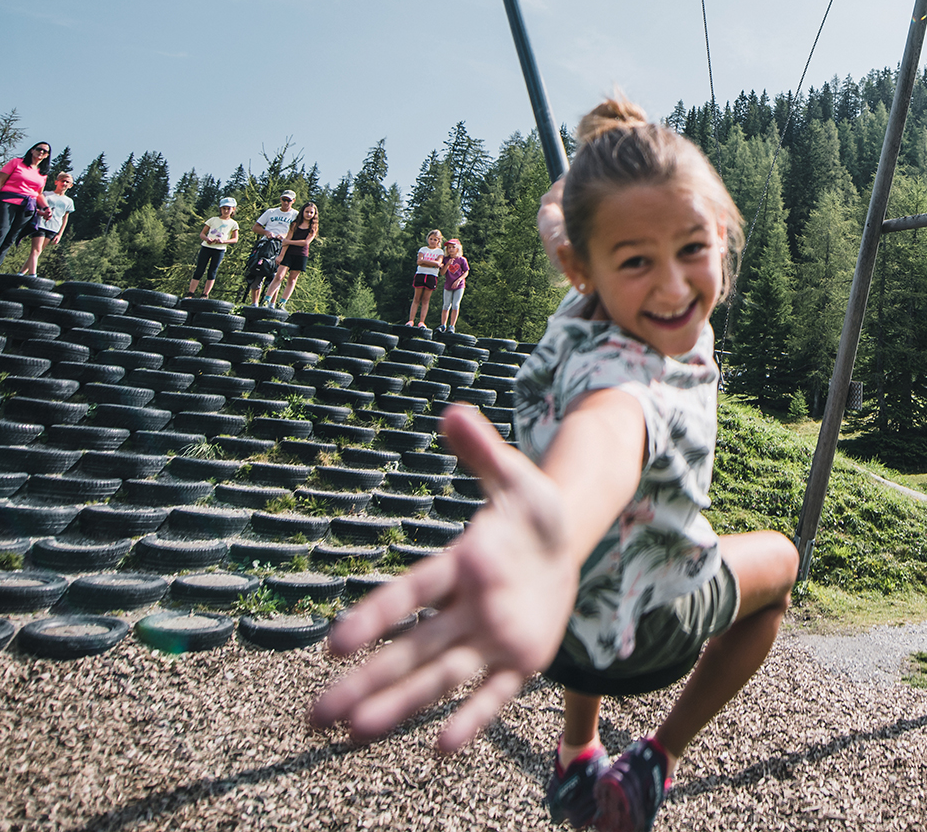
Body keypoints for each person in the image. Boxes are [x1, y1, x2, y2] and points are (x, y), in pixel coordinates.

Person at [312, 97, 797, 832]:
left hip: (557, 640)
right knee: (783, 562)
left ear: (720, 238)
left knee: (605, 553)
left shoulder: (579, 298)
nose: (671, 285)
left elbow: (555, 211)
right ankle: (654, 760)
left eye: (692, 248)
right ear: (583, 264)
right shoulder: (629, 375)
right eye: (636, 261)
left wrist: (594, 176)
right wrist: (556, 531)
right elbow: (607, 436)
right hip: (649, 636)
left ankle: (577, 752)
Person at [0, 141, 51, 272]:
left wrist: (46, 208)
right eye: (39, 149)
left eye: (45, 151)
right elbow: (0, 181)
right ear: (32, 150)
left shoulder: (43, 174)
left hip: (27, 208)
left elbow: (38, 194)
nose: (41, 152)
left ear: (46, 156)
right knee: (0, 232)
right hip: (8, 201)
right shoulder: (16, 163)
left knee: (11, 237)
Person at [21, 170, 74, 277]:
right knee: (36, 249)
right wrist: (41, 213)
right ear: (56, 182)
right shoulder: (46, 194)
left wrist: (60, 234)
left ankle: (21, 273)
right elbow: (35, 208)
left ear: (70, 185)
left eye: (67, 182)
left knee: (38, 252)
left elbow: (65, 218)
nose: (64, 184)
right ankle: (32, 274)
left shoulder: (69, 201)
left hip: (53, 227)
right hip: (40, 224)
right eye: (62, 181)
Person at [266, 201, 318, 309]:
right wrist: (281, 255)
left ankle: (282, 302)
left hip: (301, 254)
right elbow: (287, 239)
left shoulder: (313, 227)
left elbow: (305, 242)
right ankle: (267, 299)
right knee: (279, 276)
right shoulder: (295, 224)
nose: (308, 214)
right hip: (289, 253)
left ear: (314, 214)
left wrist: (288, 242)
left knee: (292, 279)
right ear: (302, 212)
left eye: (311, 212)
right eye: (307, 211)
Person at [188, 198, 239, 298]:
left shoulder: (233, 224)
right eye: (223, 208)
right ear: (220, 209)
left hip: (219, 250)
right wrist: (207, 239)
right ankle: (190, 293)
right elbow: (202, 234)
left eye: (228, 209)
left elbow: (235, 239)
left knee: (212, 271)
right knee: (200, 269)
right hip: (207, 247)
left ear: (233, 209)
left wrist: (223, 241)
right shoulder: (213, 220)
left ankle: (205, 294)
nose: (225, 211)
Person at [408, 228, 446, 328]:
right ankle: (411, 320)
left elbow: (438, 263)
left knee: (425, 300)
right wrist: (433, 263)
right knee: (416, 298)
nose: (432, 241)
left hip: (432, 276)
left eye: (435, 239)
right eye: (431, 238)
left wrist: (427, 262)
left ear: (438, 241)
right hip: (420, 274)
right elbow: (419, 262)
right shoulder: (423, 249)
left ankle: (421, 321)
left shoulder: (440, 251)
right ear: (428, 239)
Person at [439, 238, 470, 333]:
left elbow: (466, 272)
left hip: (459, 285)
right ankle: (443, 325)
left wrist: (459, 279)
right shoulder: (445, 259)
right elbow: (442, 273)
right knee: (446, 305)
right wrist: (447, 264)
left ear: (458, 248)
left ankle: (452, 326)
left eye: (453, 247)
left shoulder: (461, 260)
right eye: (449, 248)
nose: (451, 249)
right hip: (448, 285)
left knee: (455, 305)